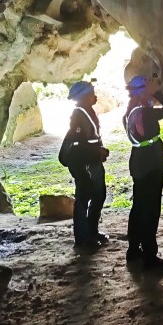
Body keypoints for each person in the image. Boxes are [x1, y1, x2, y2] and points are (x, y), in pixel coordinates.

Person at [123, 74, 163, 270]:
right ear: (142, 92)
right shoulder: (145, 113)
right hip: (150, 163)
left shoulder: (130, 112)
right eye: (146, 90)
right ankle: (150, 256)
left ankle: (133, 249)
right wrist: (157, 93)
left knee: (138, 206)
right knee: (150, 209)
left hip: (138, 160)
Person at [64, 80, 109, 249]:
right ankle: (82, 238)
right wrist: (96, 152)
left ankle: (92, 231)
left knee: (99, 196)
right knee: (84, 198)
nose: (94, 95)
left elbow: (90, 139)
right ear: (84, 97)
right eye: (91, 92)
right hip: (86, 164)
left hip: (94, 162)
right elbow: (78, 145)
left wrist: (99, 150)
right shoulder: (78, 115)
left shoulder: (87, 111)